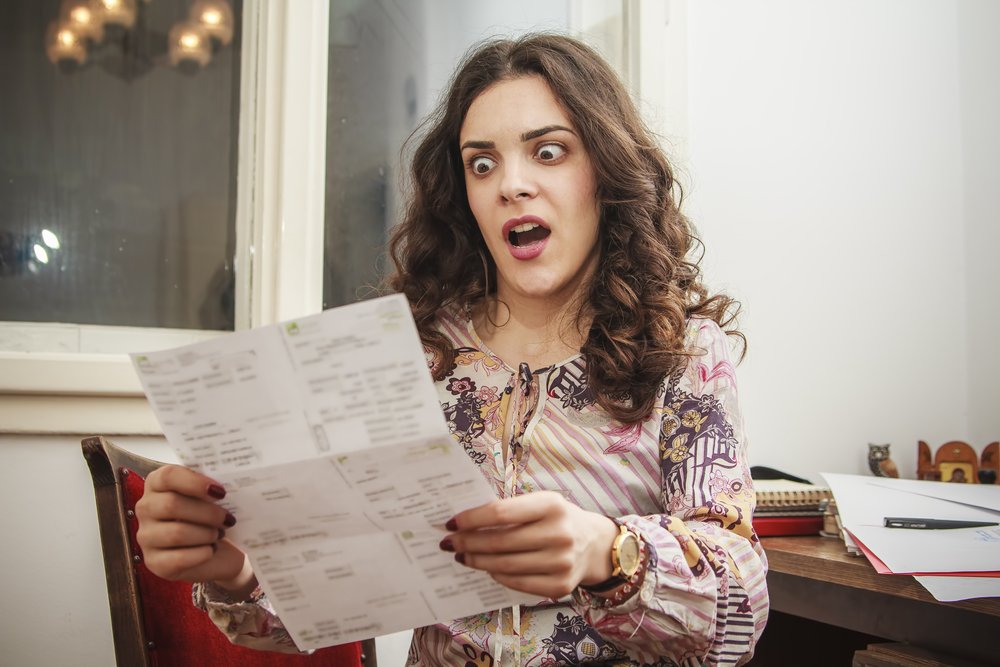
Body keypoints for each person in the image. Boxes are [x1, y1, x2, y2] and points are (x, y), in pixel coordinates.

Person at [135, 33, 769, 666]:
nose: (510, 184)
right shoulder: (420, 354)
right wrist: (236, 569)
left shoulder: (684, 353)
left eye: (548, 152)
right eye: (482, 164)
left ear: (605, 173)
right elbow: (334, 596)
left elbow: (740, 614)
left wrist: (606, 552)